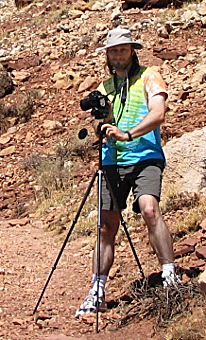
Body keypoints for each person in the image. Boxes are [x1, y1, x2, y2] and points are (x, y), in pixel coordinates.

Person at [75, 26, 178, 318]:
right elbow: (105, 123)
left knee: (149, 209)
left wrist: (128, 134)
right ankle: (97, 289)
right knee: (106, 226)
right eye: (113, 51)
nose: (118, 55)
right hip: (112, 161)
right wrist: (103, 125)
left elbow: (158, 113)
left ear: (133, 51)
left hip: (145, 155)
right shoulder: (105, 86)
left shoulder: (150, 76)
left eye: (123, 49)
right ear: (107, 55)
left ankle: (169, 275)